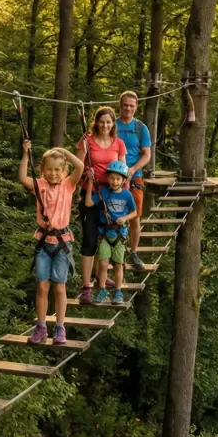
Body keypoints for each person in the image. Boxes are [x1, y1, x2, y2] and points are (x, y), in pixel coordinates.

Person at [17, 140, 84, 345]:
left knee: (60, 288)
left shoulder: (68, 185)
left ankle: (60, 327)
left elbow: (80, 166)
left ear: (64, 171)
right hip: (44, 243)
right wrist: (26, 154)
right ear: (43, 170)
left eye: (57, 170)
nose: (53, 173)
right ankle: (41, 327)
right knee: (42, 287)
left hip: (62, 243)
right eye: (49, 170)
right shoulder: (40, 186)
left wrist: (62, 150)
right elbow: (21, 177)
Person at [77, 106, 127, 305]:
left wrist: (124, 197)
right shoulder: (86, 141)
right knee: (90, 239)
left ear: (113, 124)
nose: (105, 125)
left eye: (109, 122)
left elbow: (123, 172)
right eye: (102, 121)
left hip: (111, 197)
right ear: (96, 122)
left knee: (104, 239)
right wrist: (84, 174)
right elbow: (77, 166)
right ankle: (87, 285)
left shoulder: (119, 144)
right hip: (91, 194)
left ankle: (100, 275)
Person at [88, 160, 139, 304]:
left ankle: (118, 291)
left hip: (119, 234)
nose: (114, 181)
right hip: (104, 234)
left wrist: (125, 218)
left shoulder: (127, 195)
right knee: (103, 264)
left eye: (118, 179)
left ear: (123, 180)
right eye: (112, 178)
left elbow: (134, 212)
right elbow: (88, 203)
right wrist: (91, 183)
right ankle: (102, 290)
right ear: (107, 179)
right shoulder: (103, 193)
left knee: (118, 264)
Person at [115, 91, 153, 270]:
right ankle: (115, 251)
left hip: (134, 175)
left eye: (132, 105)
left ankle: (134, 252)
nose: (128, 108)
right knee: (112, 213)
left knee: (135, 215)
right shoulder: (111, 125)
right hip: (113, 175)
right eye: (125, 105)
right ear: (120, 105)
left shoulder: (140, 128)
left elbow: (146, 155)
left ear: (136, 107)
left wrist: (133, 169)